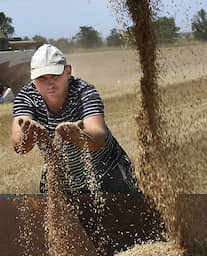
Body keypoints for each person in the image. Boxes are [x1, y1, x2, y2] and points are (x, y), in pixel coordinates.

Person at [11, 44, 138, 194]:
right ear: (33, 78)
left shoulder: (83, 92)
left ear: (68, 72)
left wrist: (79, 136)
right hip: (60, 178)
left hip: (105, 171)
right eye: (41, 78)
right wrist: (29, 135)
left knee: (125, 215)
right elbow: (19, 147)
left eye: (55, 76)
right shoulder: (26, 97)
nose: (49, 83)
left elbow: (98, 138)